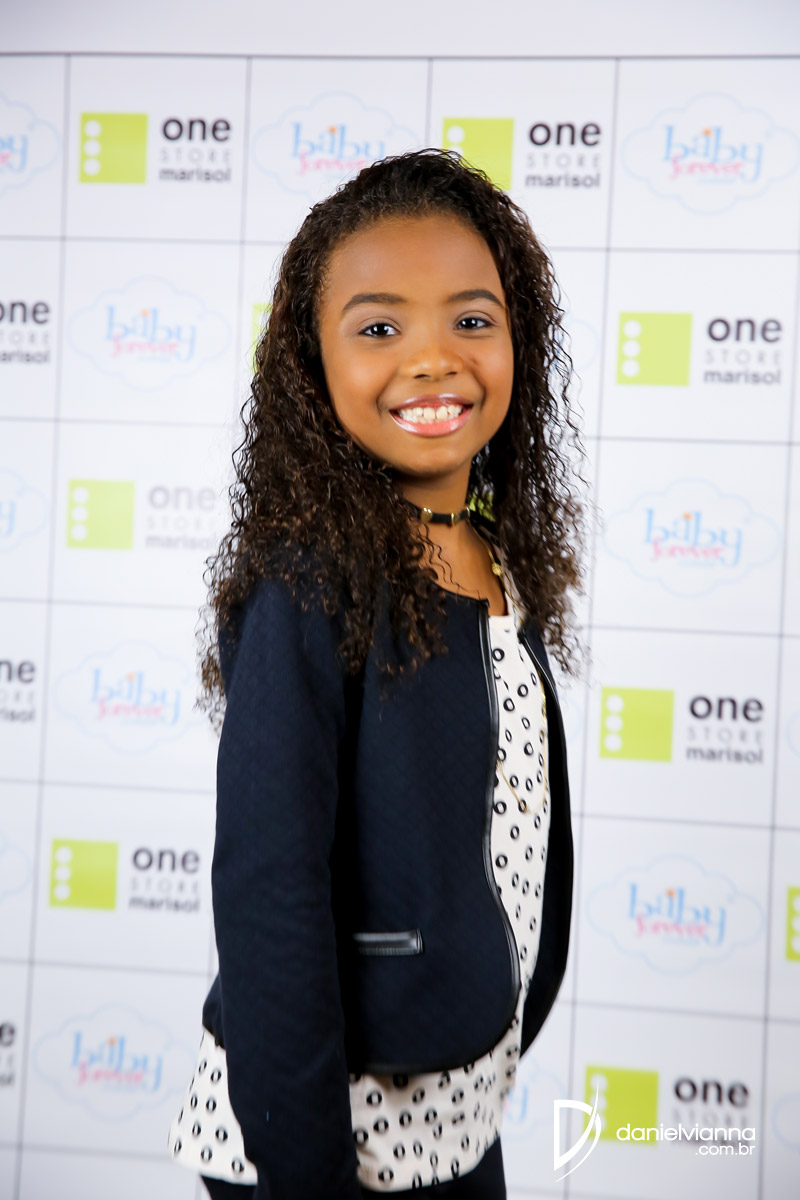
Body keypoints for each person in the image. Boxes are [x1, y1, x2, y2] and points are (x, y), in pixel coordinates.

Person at [167, 147, 585, 1199]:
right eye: (379, 328)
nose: (433, 358)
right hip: (323, 1133)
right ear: (312, 363)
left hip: (461, 1104)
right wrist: (306, 1172)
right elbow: (268, 892)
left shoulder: (494, 555)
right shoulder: (312, 583)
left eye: (472, 319)